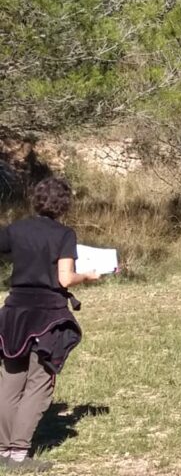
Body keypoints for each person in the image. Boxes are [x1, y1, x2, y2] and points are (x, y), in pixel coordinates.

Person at [0, 177, 100, 472]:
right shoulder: (64, 234)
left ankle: (2, 449)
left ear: (36, 200)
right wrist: (88, 275)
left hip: (14, 313)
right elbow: (65, 278)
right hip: (47, 316)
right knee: (39, 384)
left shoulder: (16, 229)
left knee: (9, 381)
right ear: (64, 205)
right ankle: (19, 456)